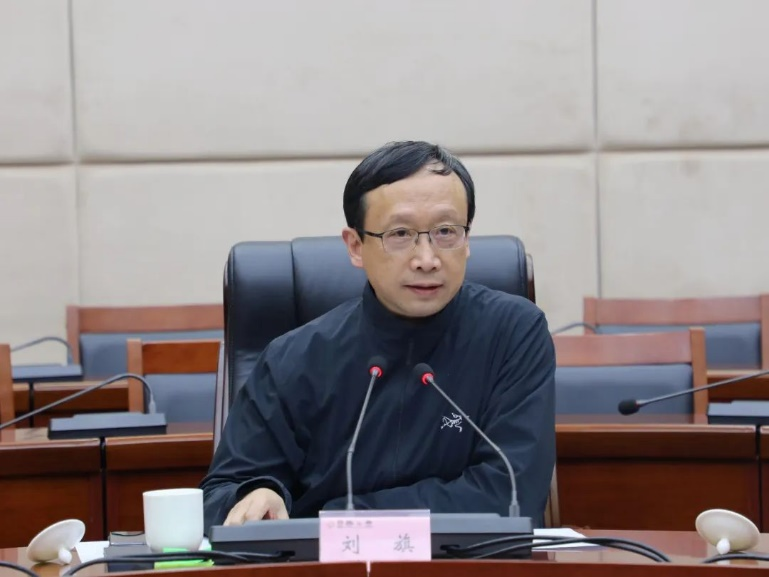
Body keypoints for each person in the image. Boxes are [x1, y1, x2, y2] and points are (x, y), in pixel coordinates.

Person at [201, 140, 556, 528]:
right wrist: (259, 494)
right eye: (400, 234)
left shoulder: (513, 334)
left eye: (446, 231)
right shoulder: (295, 358)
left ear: (467, 239)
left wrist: (331, 519)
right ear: (356, 246)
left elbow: (511, 495)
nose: (427, 259)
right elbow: (221, 494)